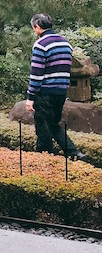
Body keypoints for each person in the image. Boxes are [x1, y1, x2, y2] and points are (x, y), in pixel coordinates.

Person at [24, 13, 86, 159]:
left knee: (42, 128)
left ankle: (45, 159)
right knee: (53, 125)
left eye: (34, 28)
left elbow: (37, 74)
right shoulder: (66, 43)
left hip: (45, 92)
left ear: (37, 27)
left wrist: (30, 97)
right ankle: (74, 152)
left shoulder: (41, 44)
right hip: (61, 92)